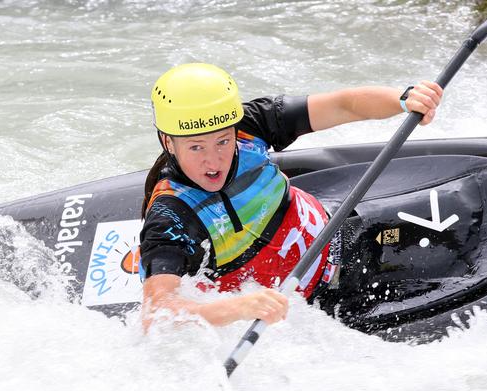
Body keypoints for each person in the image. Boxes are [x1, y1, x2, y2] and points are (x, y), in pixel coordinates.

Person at [140, 63, 443, 329]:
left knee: (436, 238)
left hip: (339, 235)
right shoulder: (170, 215)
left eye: (222, 141)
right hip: (309, 307)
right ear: (168, 141)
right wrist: (240, 308)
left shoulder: (251, 124)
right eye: (196, 147)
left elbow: (343, 105)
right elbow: (157, 313)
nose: (213, 161)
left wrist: (402, 99)